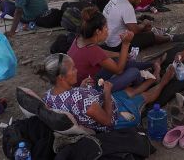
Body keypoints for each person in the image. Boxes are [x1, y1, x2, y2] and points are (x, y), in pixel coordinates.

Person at [39, 53, 176, 132]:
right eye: (73, 69)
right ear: (61, 77)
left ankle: (154, 79)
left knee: (129, 90)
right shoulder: (80, 97)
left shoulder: (48, 96)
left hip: (101, 103)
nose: (77, 71)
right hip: (117, 117)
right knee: (145, 97)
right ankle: (164, 80)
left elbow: (73, 102)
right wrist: (107, 93)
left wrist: (80, 87)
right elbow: (108, 122)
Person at [67, 7, 164, 92]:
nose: (108, 30)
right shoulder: (92, 50)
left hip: (88, 79)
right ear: (98, 31)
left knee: (120, 59)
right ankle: (149, 81)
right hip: (90, 89)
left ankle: (152, 64)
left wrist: (119, 54)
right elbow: (119, 71)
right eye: (106, 27)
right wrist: (125, 44)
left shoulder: (79, 39)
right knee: (133, 72)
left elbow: (101, 54)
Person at [102, 0, 184, 52]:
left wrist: (142, 24)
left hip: (109, 39)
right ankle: (170, 38)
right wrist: (143, 24)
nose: (140, 1)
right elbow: (135, 30)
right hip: (117, 44)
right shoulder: (127, 6)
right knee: (149, 36)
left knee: (139, 23)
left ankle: (161, 31)